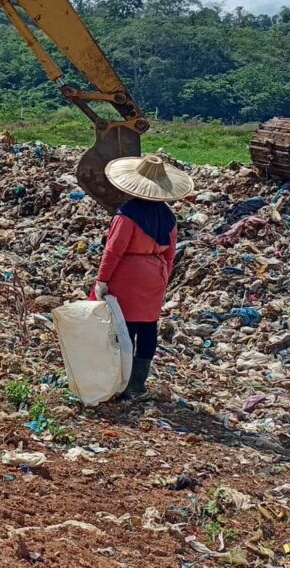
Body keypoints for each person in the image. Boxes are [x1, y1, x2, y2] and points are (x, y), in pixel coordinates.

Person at [91, 153, 193, 401]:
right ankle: (138, 385)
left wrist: (102, 280)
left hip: (128, 275)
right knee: (148, 327)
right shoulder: (168, 217)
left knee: (124, 328)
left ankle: (120, 384)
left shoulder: (127, 214)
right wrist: (163, 278)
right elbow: (170, 255)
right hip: (155, 275)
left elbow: (113, 250)